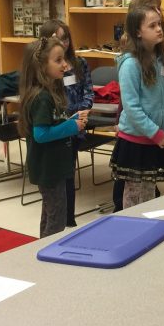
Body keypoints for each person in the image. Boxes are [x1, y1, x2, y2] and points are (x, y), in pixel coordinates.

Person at [110, 3, 164, 208]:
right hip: (136, 140)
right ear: (137, 32)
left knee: (149, 194)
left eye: (159, 24)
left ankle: (148, 229)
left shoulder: (163, 60)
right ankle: (131, 231)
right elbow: (131, 108)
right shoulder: (130, 64)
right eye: (152, 26)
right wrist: (156, 134)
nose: (159, 29)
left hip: (155, 139)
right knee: (133, 196)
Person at [19, 36, 89, 237]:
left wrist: (70, 120)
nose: (65, 64)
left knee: (50, 214)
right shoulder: (41, 97)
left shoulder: (50, 92)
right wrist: (71, 127)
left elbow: (53, 123)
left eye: (64, 59)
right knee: (57, 220)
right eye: (58, 60)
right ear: (41, 66)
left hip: (54, 164)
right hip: (48, 167)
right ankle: (48, 257)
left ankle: (41, 251)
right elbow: (41, 134)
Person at [38, 19, 93, 224]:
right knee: (58, 178)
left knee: (69, 172)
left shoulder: (79, 63)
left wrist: (83, 111)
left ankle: (68, 218)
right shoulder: (46, 69)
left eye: (66, 37)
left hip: (76, 124)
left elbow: (88, 91)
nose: (64, 42)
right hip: (57, 125)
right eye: (57, 38)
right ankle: (62, 219)